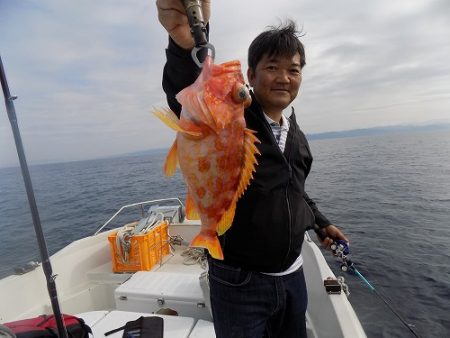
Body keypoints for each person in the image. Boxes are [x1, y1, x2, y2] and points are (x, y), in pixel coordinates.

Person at [156, 1, 349, 337]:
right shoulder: (235, 116)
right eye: (273, 67)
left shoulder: (295, 132)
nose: (284, 78)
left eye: (294, 70)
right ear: (251, 75)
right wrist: (183, 45)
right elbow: (185, 91)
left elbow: (293, 188)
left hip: (292, 276)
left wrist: (320, 223)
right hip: (239, 281)